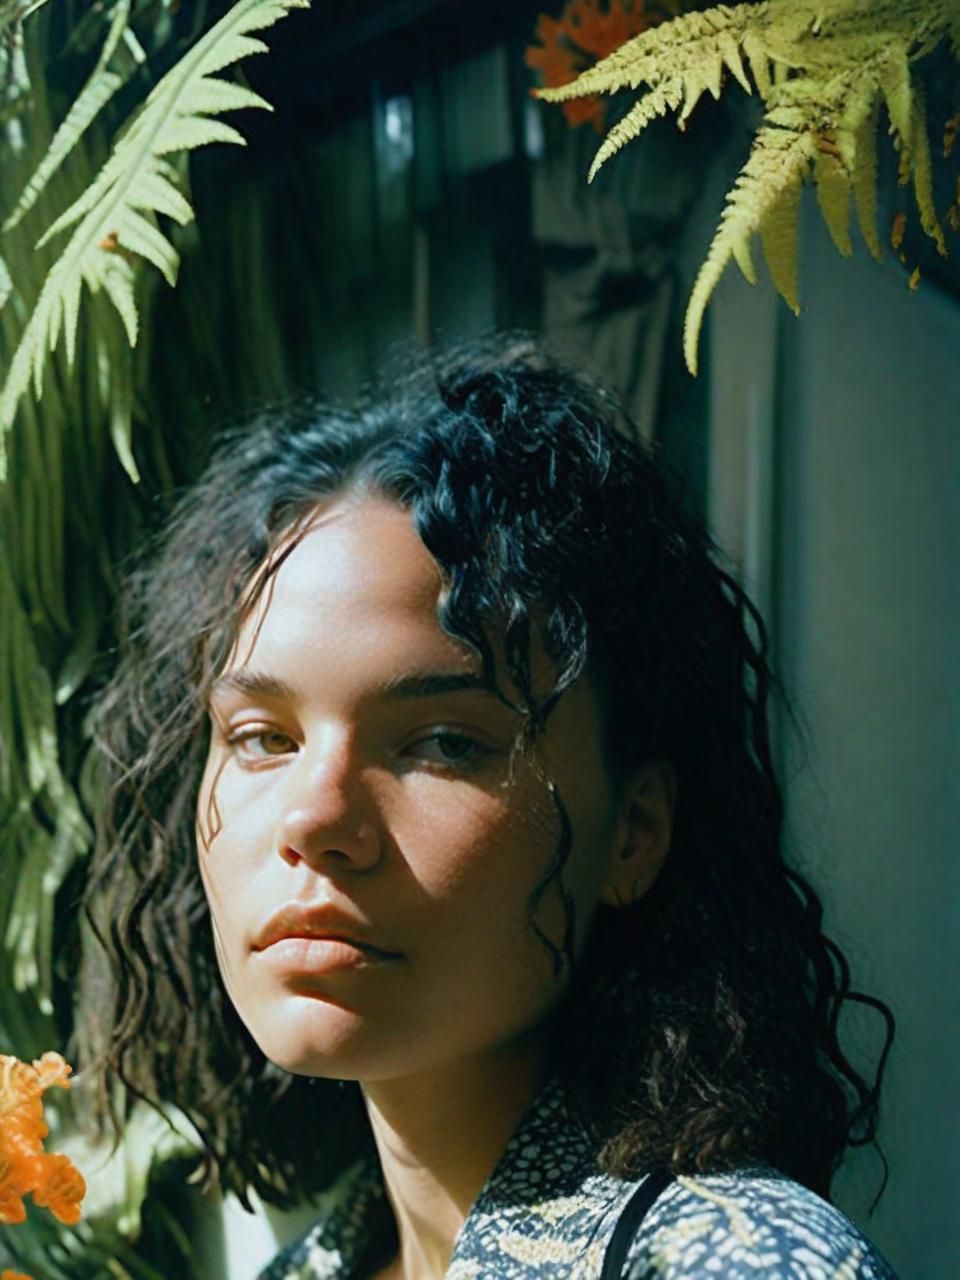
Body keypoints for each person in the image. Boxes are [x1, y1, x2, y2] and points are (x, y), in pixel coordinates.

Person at [76, 336, 899, 1279]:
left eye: (443, 743)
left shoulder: (737, 1262)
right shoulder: (310, 1267)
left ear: (634, 832)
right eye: (264, 737)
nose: (314, 819)